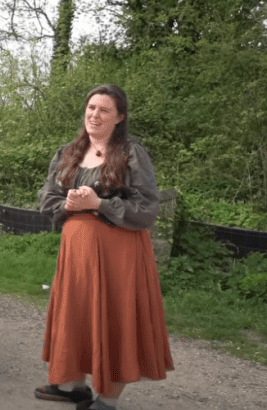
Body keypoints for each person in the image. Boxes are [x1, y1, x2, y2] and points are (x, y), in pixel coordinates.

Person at [35, 84, 174, 410]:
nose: (95, 115)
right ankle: (74, 387)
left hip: (119, 255)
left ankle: (107, 401)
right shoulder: (67, 152)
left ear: (119, 117)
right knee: (79, 317)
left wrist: (100, 203)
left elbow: (147, 208)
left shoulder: (130, 153)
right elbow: (46, 198)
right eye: (91, 108)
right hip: (77, 255)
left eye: (104, 110)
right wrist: (69, 203)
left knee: (116, 319)